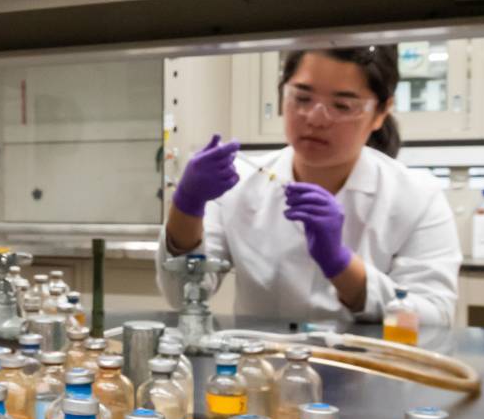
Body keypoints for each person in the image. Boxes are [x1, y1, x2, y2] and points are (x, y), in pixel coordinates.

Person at [157, 45, 463, 351]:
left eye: (342, 106)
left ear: (381, 113)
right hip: (260, 374)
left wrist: (342, 266)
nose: (316, 119)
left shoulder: (417, 197)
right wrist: (186, 205)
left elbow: (435, 316)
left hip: (370, 377)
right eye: (302, 98)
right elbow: (178, 294)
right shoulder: (238, 186)